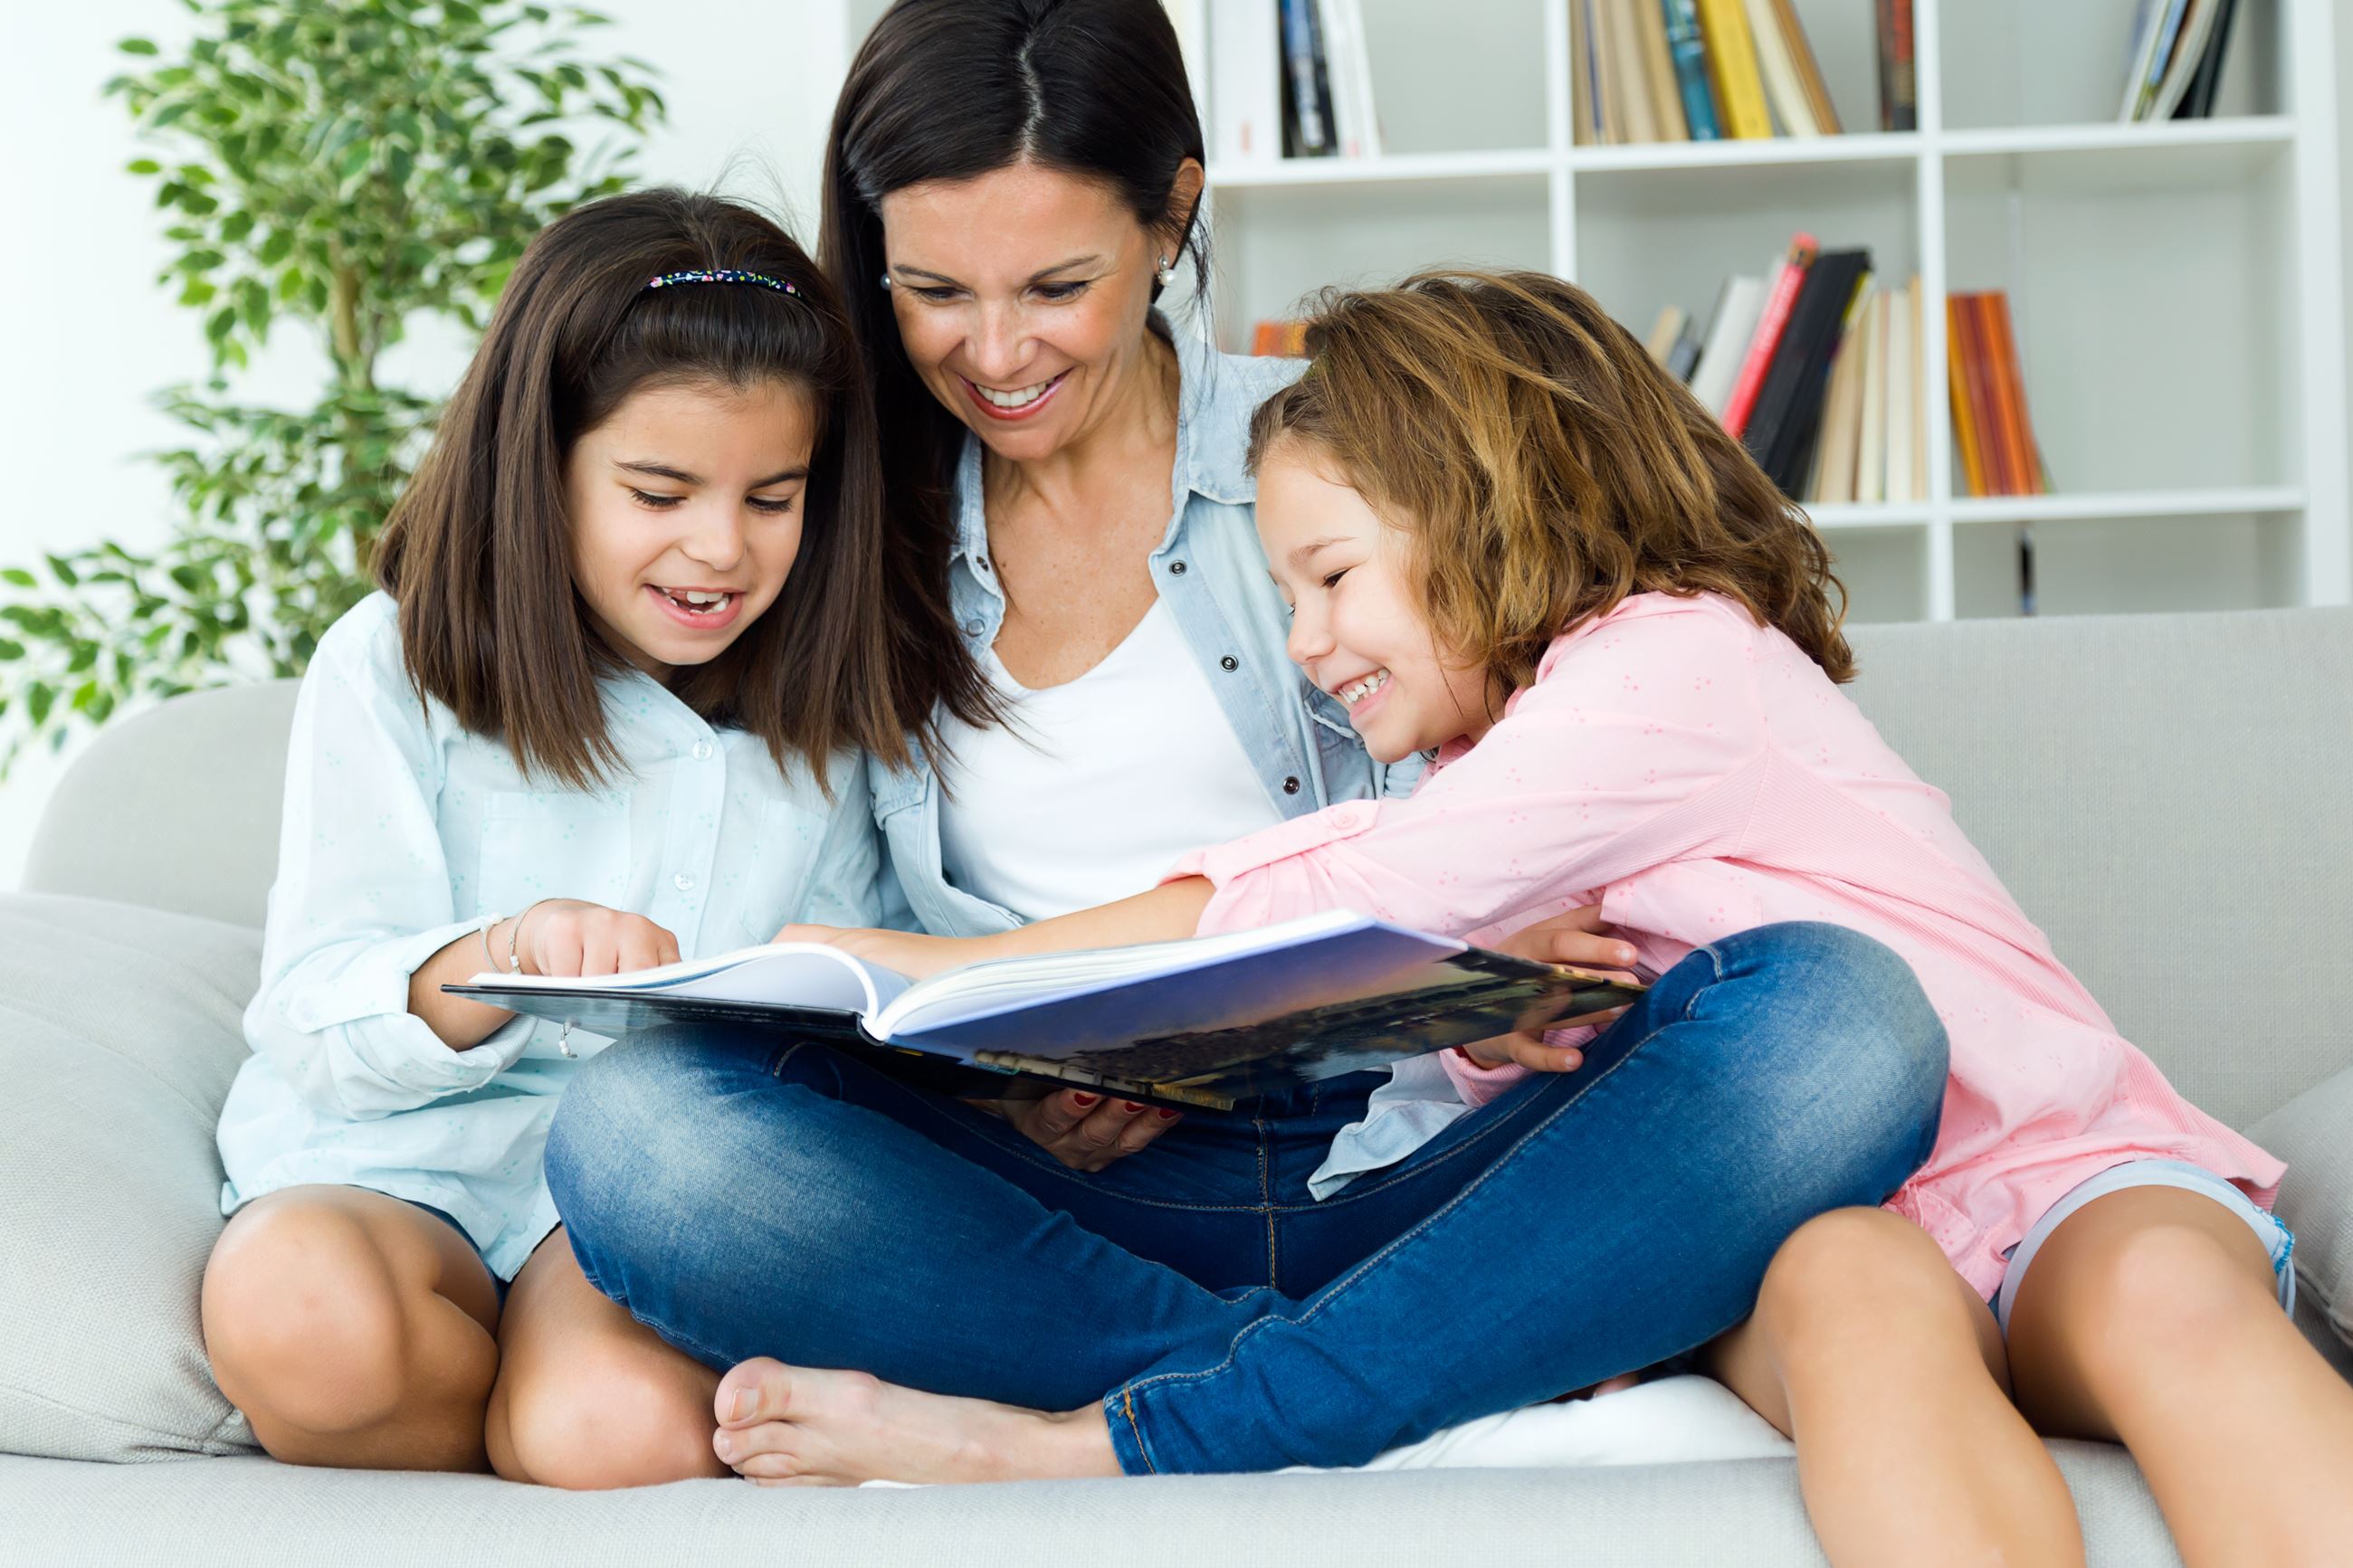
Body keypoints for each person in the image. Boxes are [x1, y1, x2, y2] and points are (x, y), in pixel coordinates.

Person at [543, 261, 1955, 1479]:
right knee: (637, 1128)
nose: (998, 345)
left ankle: (1133, 1433)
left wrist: (966, 969)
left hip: (1423, 1193)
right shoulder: (850, 534)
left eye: (1056, 284)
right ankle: (1393, 1380)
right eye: (935, 287)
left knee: (1844, 1012)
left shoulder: (1614, 660)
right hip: (1104, 1201)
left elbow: (1374, 887)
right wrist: (1000, 1035)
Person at [198, 187, 979, 1487]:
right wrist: (495, 957)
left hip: (633, 1182)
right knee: (302, 1319)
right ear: (542, 465)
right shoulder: (393, 665)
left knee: (616, 1436)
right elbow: (311, 1011)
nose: (720, 549)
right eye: (659, 492)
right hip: (392, 1161)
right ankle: (489, 1406)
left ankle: (538, 1407)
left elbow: (859, 980)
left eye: (773, 498)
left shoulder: (831, 703)